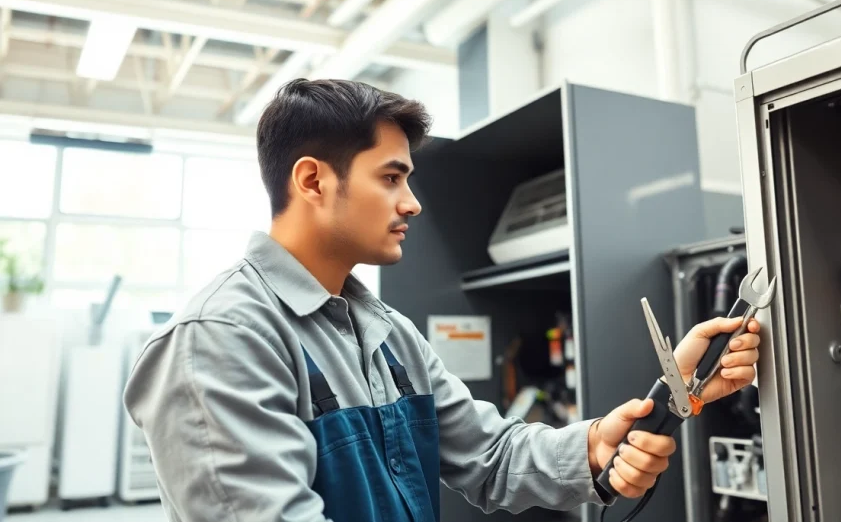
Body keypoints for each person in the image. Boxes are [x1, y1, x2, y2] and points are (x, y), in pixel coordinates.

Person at [123, 79, 762, 522]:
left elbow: (490, 454)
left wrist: (605, 436)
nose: (412, 204)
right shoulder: (219, 341)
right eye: (391, 178)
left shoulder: (386, 333)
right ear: (313, 180)